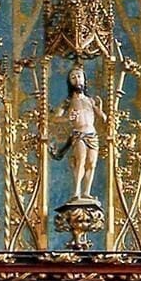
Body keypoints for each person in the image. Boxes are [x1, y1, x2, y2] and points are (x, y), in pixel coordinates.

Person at [50, 63, 106, 200]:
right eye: (73, 77)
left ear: (84, 79)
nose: (77, 79)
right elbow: (54, 118)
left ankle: (86, 192)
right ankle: (76, 192)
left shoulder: (90, 101)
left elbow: (104, 118)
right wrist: (67, 118)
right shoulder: (68, 101)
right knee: (80, 161)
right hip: (79, 134)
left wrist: (99, 108)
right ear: (70, 82)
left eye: (79, 76)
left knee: (91, 164)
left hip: (92, 134)